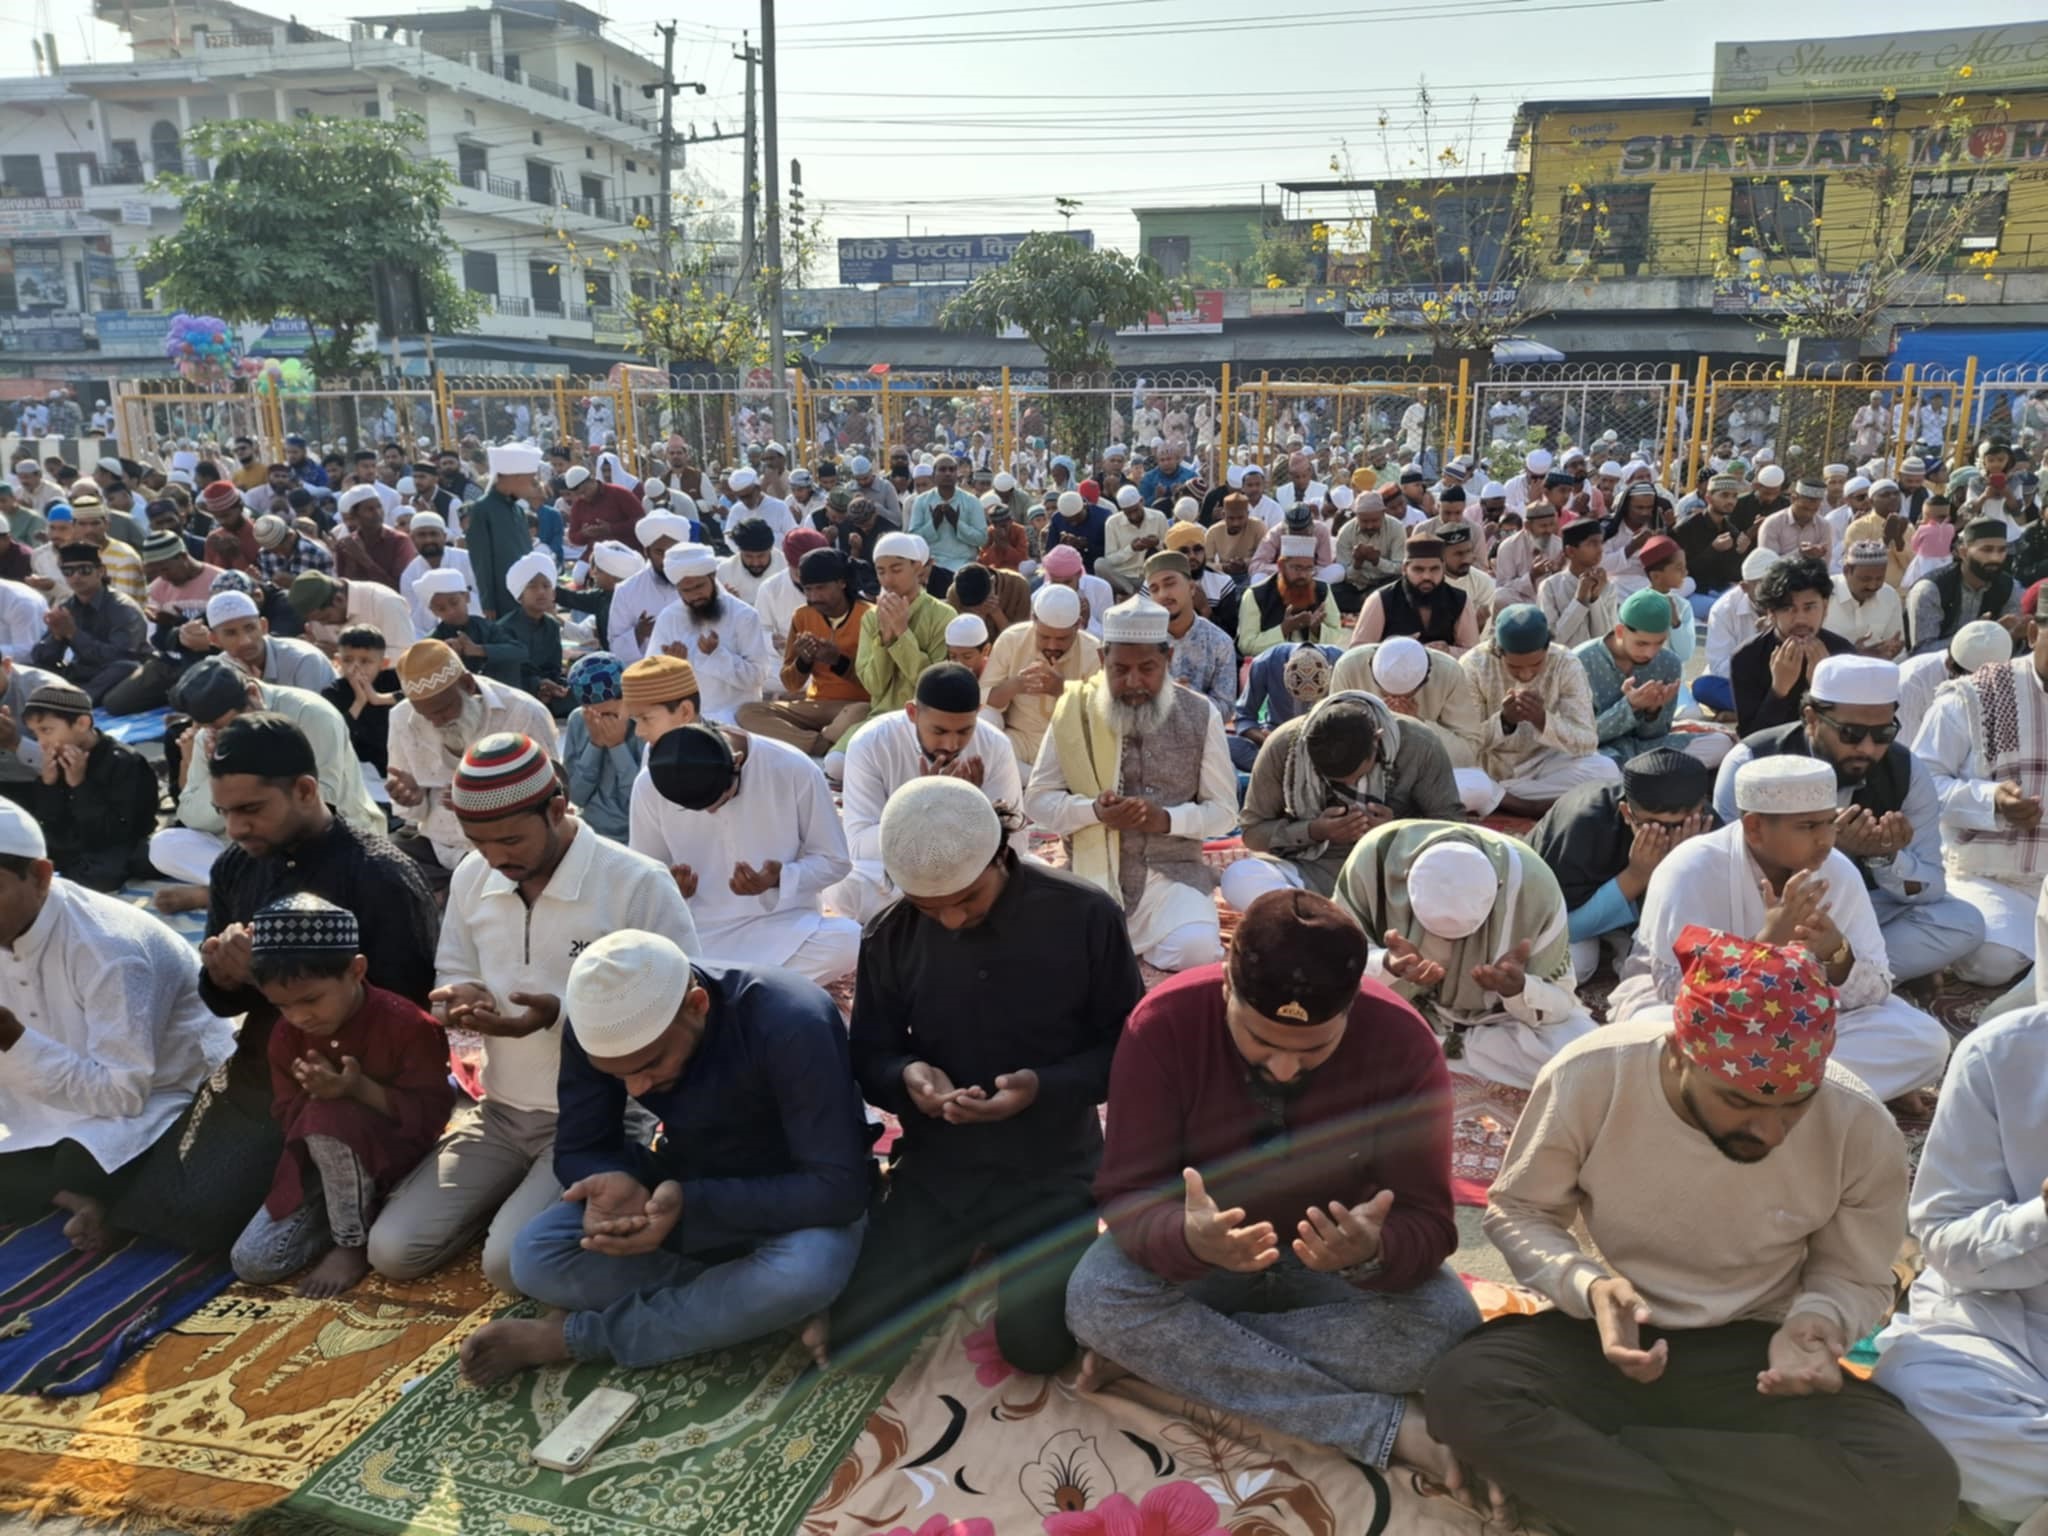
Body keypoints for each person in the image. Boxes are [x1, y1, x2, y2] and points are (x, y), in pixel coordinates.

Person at [1423, 927, 1961, 1536]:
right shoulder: (1594, 1074)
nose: (1771, 1132)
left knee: (1916, 1482)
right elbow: (1521, 1210)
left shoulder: (1858, 1123)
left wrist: (1818, 1322)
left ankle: (1605, 1478)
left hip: (1756, 1356)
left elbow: (1856, 1274)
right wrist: (1589, 1287)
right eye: (1741, 1102)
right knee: (1466, 1391)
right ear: (1679, 1053)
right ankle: (1693, 1499)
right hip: (1608, 1337)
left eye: (1795, 1104)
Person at [1065, 890, 1479, 1478]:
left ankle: (1167, 1362)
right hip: (1202, 1266)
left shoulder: (1404, 1045)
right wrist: (1187, 1238)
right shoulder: (1163, 1024)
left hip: (1331, 1276)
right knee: (1097, 1298)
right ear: (1226, 988)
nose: (1284, 1068)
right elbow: (1128, 1193)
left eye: (1314, 1050)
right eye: (1261, 1043)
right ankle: (1377, 1424)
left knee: (1446, 1325)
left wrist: (1372, 1250)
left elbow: (1429, 1222)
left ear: (1351, 1010)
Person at [456, 928, 872, 1384]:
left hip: (794, 1201)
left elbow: (838, 1189)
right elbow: (581, 1147)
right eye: (619, 1075)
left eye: (651, 1064)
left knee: (803, 1274)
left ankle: (578, 1337)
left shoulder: (790, 1018)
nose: (637, 1088)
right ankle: (751, 1305)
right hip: (680, 1185)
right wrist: (613, 1176)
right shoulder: (596, 1028)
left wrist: (689, 1206)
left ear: (697, 1005)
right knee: (535, 1255)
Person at [826, 777, 1143, 1371]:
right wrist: (908, 1075)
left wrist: (1040, 1088)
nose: (950, 919)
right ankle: (964, 1247)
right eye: (929, 907)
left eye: (968, 899)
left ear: (1001, 853)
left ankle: (1008, 1251)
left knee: (1037, 1348)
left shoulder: (1084, 915)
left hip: (1051, 1164)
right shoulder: (890, 934)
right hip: (942, 1164)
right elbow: (870, 1055)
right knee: (859, 1344)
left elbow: (1127, 1053)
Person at [366, 734, 698, 1293]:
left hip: (601, 1116)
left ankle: (548, 1205)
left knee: (509, 1266)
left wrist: (561, 1018)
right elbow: (453, 970)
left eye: (511, 839)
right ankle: (519, 1208)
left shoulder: (635, 883)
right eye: (479, 842)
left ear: (557, 808)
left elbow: (680, 1011)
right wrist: (461, 998)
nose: (497, 858)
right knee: (392, 1251)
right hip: (501, 1110)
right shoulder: (474, 875)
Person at [1611, 756, 1952, 1103]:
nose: (1825, 839)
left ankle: (1741, 1100)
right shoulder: (1690, 868)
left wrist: (1836, 954)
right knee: (1658, 1042)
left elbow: (1874, 993)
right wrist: (1765, 946)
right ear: (1755, 827)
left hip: (1797, 1020)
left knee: (1923, 1039)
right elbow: (1677, 995)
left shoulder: (1838, 872)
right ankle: (1835, 1095)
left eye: (1829, 823)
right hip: (1707, 1025)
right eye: (1808, 826)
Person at [0, 800, 239, 1252]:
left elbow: (122, 1094)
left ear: (41, 876)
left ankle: (84, 1192)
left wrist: (12, 1040)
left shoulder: (108, 949)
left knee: (84, 1162)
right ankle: (73, 1198)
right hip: (49, 1094)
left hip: (162, 1093)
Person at [1873, 1006, 2048, 1533]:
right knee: (1920, 1388)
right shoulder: (2003, 1053)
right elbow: (1946, 1247)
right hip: (2010, 1324)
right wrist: (2040, 1218)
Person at [229, 895, 454, 1298]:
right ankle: (354, 1211)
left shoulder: (409, 1026)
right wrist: (315, 1096)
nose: (299, 1016)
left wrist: (355, 1090)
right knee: (254, 1262)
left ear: (356, 970)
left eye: (310, 999)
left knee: (329, 1117)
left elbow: (431, 1116)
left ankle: (352, 1242)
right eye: (283, 1005)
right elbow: (286, 1114)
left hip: (397, 1155)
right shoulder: (286, 1035)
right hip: (325, 1165)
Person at [1714, 653, 1983, 984]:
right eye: (1852, 733)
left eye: (1883, 733)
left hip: (1863, 909)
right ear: (1811, 718)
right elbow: (1731, 873)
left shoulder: (1906, 771)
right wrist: (1824, 847)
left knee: (1963, 922)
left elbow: (1931, 888)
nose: (1868, 749)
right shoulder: (1751, 763)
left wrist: (1884, 857)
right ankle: (1828, 977)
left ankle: (1845, 976)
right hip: (1770, 915)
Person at [1026, 595, 1236, 972]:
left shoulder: (1200, 713)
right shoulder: (1075, 710)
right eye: (1120, 669)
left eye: (1147, 668)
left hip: (1170, 876)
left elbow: (1224, 813)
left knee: (1196, 950)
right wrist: (1093, 812)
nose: (1133, 682)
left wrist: (1165, 820)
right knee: (1047, 953)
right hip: (1091, 872)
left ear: (1168, 660)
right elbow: (1038, 802)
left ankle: (1121, 950)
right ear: (1101, 659)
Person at [1335, 820, 1594, 1088]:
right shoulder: (1373, 861)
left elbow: (1561, 999)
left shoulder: (1535, 889)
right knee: (1324, 1025)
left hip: (1495, 1020)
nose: (1452, 943)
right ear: (1405, 879)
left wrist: (1518, 989)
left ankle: (1425, 1048)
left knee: (1584, 1059)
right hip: (1400, 1013)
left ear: (1499, 886)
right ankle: (1428, 1046)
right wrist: (1387, 965)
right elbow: (1334, 967)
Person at [629, 722, 859, 986]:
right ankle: (762, 988)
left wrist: (779, 878)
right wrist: (671, 889)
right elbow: (642, 877)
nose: (712, 812)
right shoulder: (649, 784)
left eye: (721, 800)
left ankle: (715, 989)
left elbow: (835, 860)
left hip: (782, 928)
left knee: (850, 940)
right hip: (696, 934)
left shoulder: (793, 768)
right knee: (635, 954)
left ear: (737, 762)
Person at [1913, 579, 2048, 991]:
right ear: (2033, 633)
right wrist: (1991, 802)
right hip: (1991, 876)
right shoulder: (1975, 697)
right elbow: (1921, 784)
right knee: (1991, 961)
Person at [152, 656, 384, 891]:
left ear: (253, 694)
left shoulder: (310, 713)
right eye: (209, 728)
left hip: (323, 837)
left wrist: (252, 761)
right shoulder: (211, 733)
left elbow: (323, 802)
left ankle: (252, 887)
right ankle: (263, 886)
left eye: (225, 725)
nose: (222, 733)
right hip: (252, 842)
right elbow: (192, 816)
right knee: (164, 846)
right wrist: (220, 772)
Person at [1223, 690, 1464, 911]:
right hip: (1312, 872)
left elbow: (1453, 828)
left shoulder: (1419, 744)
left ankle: (1316, 921)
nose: (1350, 785)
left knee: (1461, 874)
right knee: (1239, 877)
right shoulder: (1286, 746)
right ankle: (1326, 917)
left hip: (1398, 874)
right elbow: (1253, 832)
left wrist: (1395, 833)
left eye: (1357, 776)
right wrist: (1314, 830)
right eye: (1335, 781)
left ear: (1377, 741)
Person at [831, 664, 1022, 923]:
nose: (951, 744)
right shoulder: (871, 742)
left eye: (964, 731)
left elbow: (1016, 842)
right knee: (844, 884)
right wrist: (922, 805)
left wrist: (972, 808)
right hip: (900, 873)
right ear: (912, 713)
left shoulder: (995, 745)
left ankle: (926, 917)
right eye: (939, 731)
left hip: (970, 873)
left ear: (978, 713)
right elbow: (858, 845)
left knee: (1030, 879)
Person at [385, 639, 559, 879]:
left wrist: (482, 802)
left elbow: (554, 795)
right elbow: (411, 816)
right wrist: (413, 799)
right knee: (382, 868)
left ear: (467, 685)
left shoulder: (523, 712)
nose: (436, 722)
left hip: (501, 849)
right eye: (426, 715)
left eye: (443, 710)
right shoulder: (402, 717)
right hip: (436, 844)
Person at [1459, 603, 1620, 818]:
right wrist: (1505, 722)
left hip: (1544, 765)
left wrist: (1542, 720)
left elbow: (1587, 741)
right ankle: (1548, 802)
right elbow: (1466, 743)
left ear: (1547, 648)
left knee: (1607, 771)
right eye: (1514, 667)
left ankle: (1503, 800)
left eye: (1536, 664)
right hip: (1491, 768)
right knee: (1460, 780)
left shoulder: (1565, 663)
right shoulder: (1473, 665)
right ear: (1498, 651)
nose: (1526, 674)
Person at [19, 680, 159, 892]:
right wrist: (48, 784)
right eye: (35, 734)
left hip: (114, 843)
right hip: (72, 842)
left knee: (109, 870)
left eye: (46, 730)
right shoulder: (57, 756)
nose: (41, 742)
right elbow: (50, 822)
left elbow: (119, 830)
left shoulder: (124, 762)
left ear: (82, 723)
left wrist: (79, 785)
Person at [736, 545, 872, 763]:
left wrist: (838, 661)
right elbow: (790, 683)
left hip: (856, 706)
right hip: (815, 705)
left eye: (821, 588)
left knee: (864, 713)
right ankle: (822, 744)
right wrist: (804, 661)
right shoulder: (802, 616)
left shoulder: (869, 616)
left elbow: (878, 684)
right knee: (747, 713)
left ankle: (809, 741)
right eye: (808, 590)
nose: (814, 597)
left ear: (842, 583)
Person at [1577, 588, 1727, 766]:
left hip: (1646, 750)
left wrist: (1652, 712)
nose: (1650, 653)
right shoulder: (1581, 662)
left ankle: (1637, 774)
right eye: (1642, 643)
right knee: (1594, 766)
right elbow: (1580, 737)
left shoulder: (1668, 663)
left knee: (1721, 744)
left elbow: (1656, 736)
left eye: (1659, 643)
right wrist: (1630, 706)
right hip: (1597, 753)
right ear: (1620, 631)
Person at [981, 582, 1101, 776]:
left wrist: (1062, 689)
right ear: (1033, 620)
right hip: (1020, 739)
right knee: (985, 720)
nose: (1052, 646)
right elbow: (982, 699)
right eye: (1044, 637)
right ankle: (1036, 781)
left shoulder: (1092, 651)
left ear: (1078, 625)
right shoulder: (1012, 640)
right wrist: (1015, 685)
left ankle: (1026, 779)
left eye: (1062, 639)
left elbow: (1100, 712)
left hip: (1068, 745)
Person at [1731, 555, 1856, 738]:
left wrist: (1822, 686)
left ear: (1825, 607)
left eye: (1809, 607)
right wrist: (1778, 690)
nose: (1800, 619)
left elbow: (1850, 733)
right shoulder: (1747, 657)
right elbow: (1750, 739)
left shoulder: (1843, 654)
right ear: (1771, 613)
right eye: (1788, 609)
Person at [28, 542, 149, 704]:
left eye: (84, 570)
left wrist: (73, 634)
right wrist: (56, 636)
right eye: (68, 571)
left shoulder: (122, 607)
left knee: (126, 667)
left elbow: (119, 656)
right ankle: (75, 697)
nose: (76, 577)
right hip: (82, 672)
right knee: (35, 669)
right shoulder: (67, 607)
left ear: (101, 571)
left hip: (113, 673)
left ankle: (78, 700)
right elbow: (42, 659)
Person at [855, 531, 955, 721]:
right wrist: (885, 639)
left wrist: (902, 633)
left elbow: (935, 685)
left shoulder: (943, 615)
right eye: (881, 572)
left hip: (927, 720)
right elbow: (874, 687)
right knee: (843, 743)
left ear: (917, 567)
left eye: (896, 570)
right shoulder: (871, 618)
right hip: (880, 719)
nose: (888, 580)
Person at [558, 653, 641, 843]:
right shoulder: (579, 721)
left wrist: (617, 746)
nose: (600, 722)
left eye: (609, 714)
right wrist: (594, 744)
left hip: (634, 836)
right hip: (590, 833)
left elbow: (639, 802)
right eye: (593, 714)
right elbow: (577, 796)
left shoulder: (644, 725)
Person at [1908, 517, 2021, 656]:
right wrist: (1976, 635)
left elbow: (2010, 648)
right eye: (1987, 550)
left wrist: (2016, 635)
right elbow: (1922, 652)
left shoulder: (2010, 587)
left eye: (2001, 550)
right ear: (1963, 552)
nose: (1995, 558)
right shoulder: (1930, 590)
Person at [1349, 537, 1478, 655]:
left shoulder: (1460, 600)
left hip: (1444, 671)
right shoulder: (1380, 600)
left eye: (1434, 569)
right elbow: (1357, 654)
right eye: (1418, 569)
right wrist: (1394, 647)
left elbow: (1473, 654)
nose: (1427, 576)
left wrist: (1448, 650)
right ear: (1405, 569)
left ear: (1443, 568)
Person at [1145, 551, 1235, 718]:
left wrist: (1191, 697)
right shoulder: (1142, 641)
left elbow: (1226, 709)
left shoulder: (1219, 642)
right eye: (1154, 589)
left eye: (1170, 584)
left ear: (1192, 588)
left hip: (1201, 731)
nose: (1162, 594)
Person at [462, 445, 546, 623]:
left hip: (525, 593)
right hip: (502, 597)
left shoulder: (518, 510)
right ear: (515, 477)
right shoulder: (482, 509)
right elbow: (481, 560)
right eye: (530, 478)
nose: (534, 484)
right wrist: (488, 602)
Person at [201, 586, 335, 694]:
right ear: (214, 640)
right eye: (231, 633)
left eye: (250, 628)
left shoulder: (303, 660)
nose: (245, 641)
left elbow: (312, 716)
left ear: (263, 626)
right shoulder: (219, 670)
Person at [606, 510, 692, 666]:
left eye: (672, 551)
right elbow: (615, 647)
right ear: (647, 552)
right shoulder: (627, 590)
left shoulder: (701, 583)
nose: (666, 559)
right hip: (648, 674)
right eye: (659, 552)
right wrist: (639, 633)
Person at [1239, 541, 1344, 656]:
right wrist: (1284, 629)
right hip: (1271, 664)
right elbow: (1246, 645)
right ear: (1281, 566)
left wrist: (1317, 630)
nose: (1303, 575)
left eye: (1309, 569)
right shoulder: (1256, 595)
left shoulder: (1322, 590)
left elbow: (1339, 637)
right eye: (1297, 568)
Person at [289, 570, 418, 663]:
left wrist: (345, 656)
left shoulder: (385, 602)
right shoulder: (317, 617)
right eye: (316, 621)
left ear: (339, 599)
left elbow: (405, 656)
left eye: (325, 618)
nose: (322, 625)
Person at [1539, 519, 1621, 648]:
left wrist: (1595, 599)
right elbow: (1553, 641)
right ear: (1571, 551)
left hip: (1596, 658)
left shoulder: (1608, 587)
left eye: (1601, 543)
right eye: (1592, 543)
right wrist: (1580, 601)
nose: (1600, 550)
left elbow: (1607, 639)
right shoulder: (1550, 586)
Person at [1830, 539, 1907, 658]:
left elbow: (1898, 649)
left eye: (1879, 579)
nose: (1872, 586)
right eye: (1865, 579)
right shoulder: (1826, 594)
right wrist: (1853, 655)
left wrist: (1889, 655)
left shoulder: (1889, 596)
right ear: (1846, 571)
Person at [330, 485, 416, 591]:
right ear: (355, 515)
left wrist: (363, 558)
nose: (377, 513)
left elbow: (399, 588)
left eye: (379, 507)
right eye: (369, 509)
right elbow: (345, 588)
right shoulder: (345, 545)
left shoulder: (400, 541)